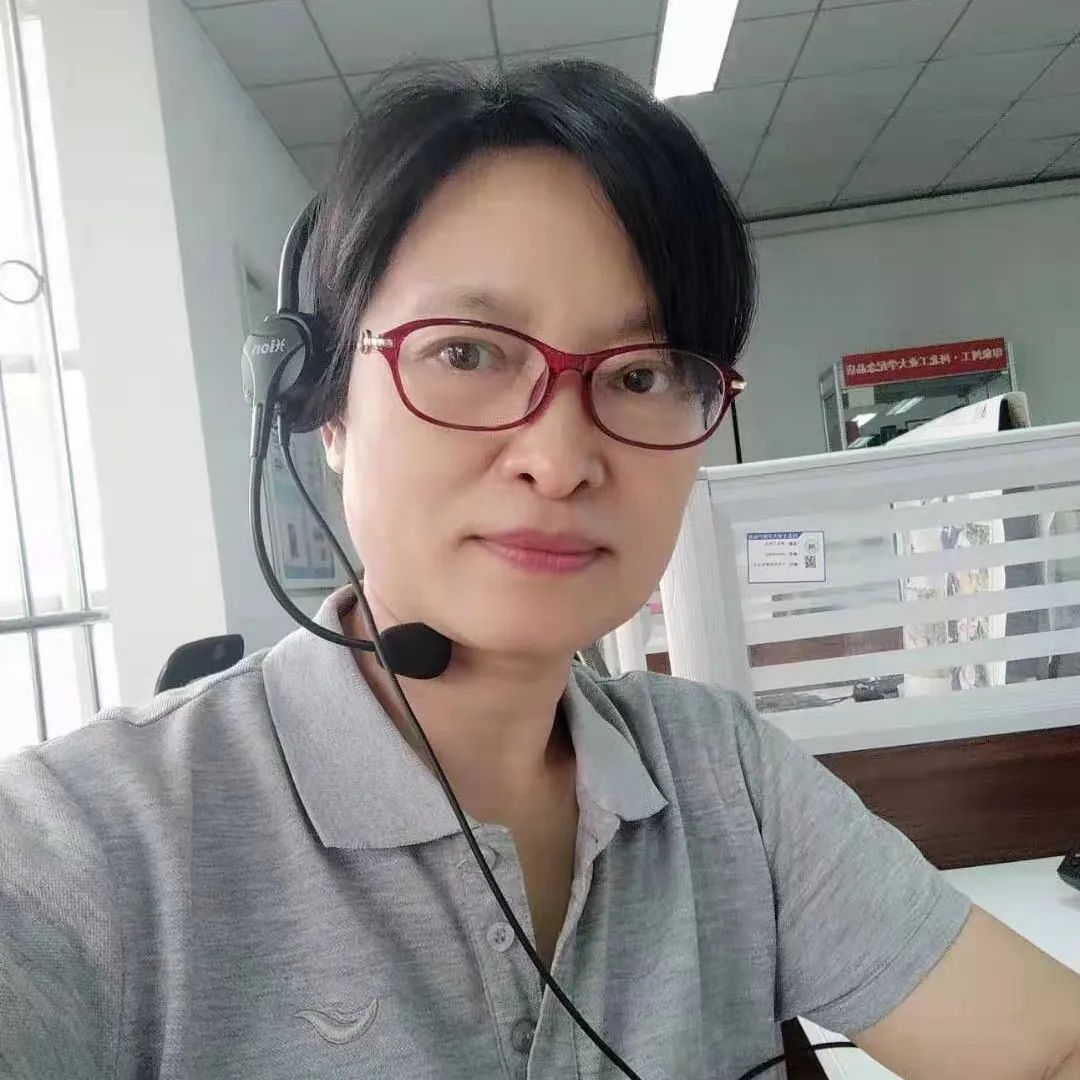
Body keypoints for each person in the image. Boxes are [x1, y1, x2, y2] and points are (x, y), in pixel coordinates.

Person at [2, 60, 1078, 1080]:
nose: (560, 459)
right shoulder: (83, 849)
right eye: (466, 352)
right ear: (324, 404)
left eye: (642, 374)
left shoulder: (723, 777)